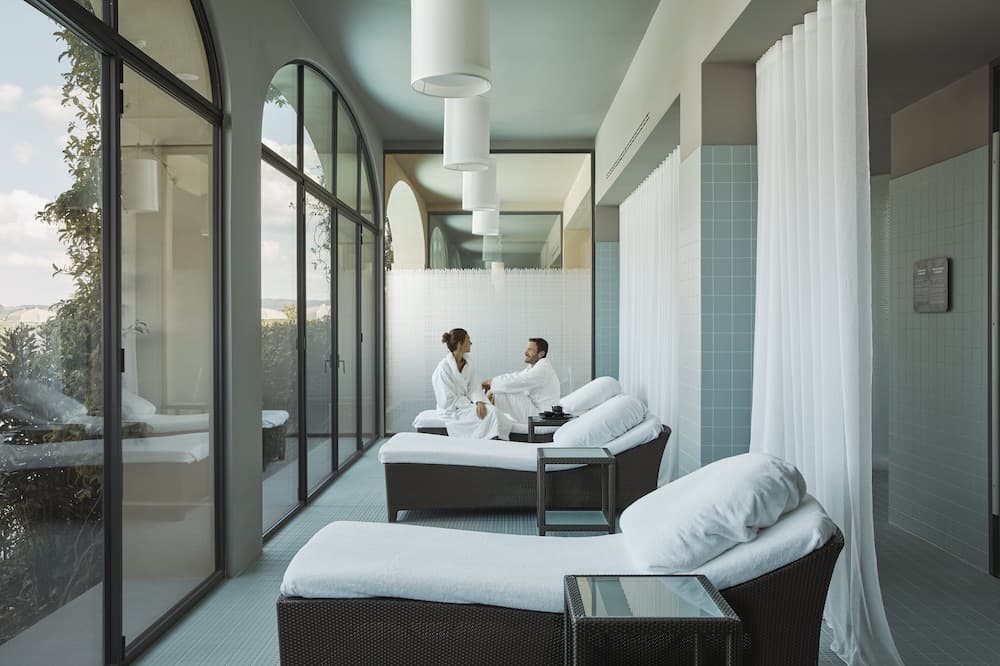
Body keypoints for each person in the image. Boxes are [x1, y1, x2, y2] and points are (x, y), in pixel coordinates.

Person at [479, 337, 560, 440]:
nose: (525, 352)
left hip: (542, 417)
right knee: (500, 388)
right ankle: (484, 420)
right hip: (535, 411)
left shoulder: (543, 369)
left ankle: (482, 421)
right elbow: (516, 377)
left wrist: (490, 383)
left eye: (530, 350)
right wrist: (492, 384)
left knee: (500, 391)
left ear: (541, 354)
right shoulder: (533, 368)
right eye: (526, 349)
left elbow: (517, 381)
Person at [432, 328, 499, 440]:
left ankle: (486, 440)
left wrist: (479, 402)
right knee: (492, 413)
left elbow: (474, 387)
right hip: (451, 410)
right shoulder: (443, 368)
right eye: (468, 339)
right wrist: (470, 404)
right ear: (460, 344)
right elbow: (446, 399)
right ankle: (484, 441)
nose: (471, 343)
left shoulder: (468, 363)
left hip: (465, 406)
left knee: (492, 411)